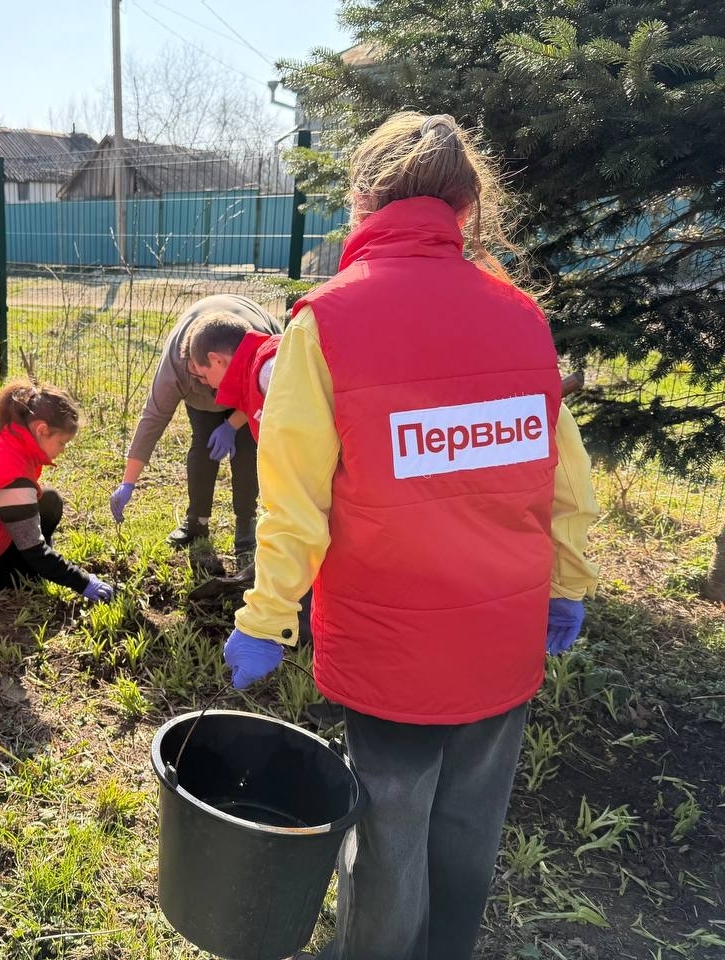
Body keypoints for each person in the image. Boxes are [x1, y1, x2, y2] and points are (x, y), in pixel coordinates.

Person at [223, 112, 600, 960]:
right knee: (470, 827)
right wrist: (567, 587)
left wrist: (266, 616)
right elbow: (565, 478)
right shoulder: (521, 317)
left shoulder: (326, 323)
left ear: (360, 201)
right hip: (503, 640)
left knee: (388, 839)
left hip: (392, 646)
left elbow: (292, 500)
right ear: (468, 209)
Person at [109, 295, 281, 562]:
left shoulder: (261, 355)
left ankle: (245, 522)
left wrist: (233, 424)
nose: (213, 388)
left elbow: (267, 397)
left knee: (247, 449)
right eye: (199, 375)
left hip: (248, 381)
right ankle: (197, 521)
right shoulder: (177, 369)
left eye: (206, 375)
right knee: (204, 443)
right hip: (205, 384)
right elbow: (153, 418)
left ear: (217, 360)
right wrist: (128, 482)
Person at [0, 378, 115, 601]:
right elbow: (35, 550)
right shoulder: (12, 476)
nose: (63, 451)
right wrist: (84, 582)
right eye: (62, 442)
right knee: (34, 567)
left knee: (50, 501)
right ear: (42, 429)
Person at [182, 312, 282, 441]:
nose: (207, 383)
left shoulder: (268, 375)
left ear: (216, 360)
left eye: (205, 375)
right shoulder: (256, 375)